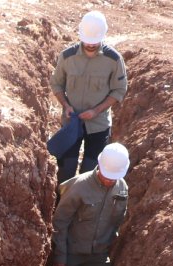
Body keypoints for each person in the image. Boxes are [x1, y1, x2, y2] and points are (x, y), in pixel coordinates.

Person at [49, 10, 128, 185]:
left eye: (95, 42)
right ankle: (62, 206)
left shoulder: (113, 60)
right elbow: (56, 84)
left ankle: (84, 210)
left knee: (90, 174)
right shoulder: (67, 57)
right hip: (71, 123)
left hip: (98, 126)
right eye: (87, 42)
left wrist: (96, 111)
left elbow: (119, 90)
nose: (91, 45)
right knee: (66, 171)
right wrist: (65, 105)